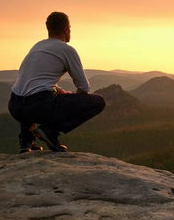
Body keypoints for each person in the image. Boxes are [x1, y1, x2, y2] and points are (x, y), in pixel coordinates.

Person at [8, 12, 106, 153]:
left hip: (15, 106)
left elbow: (33, 81)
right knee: (99, 102)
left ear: (48, 28)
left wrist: (57, 91)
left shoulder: (37, 46)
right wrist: (71, 100)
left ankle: (26, 141)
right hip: (39, 104)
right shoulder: (67, 50)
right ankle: (51, 130)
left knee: (28, 95)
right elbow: (84, 87)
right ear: (66, 29)